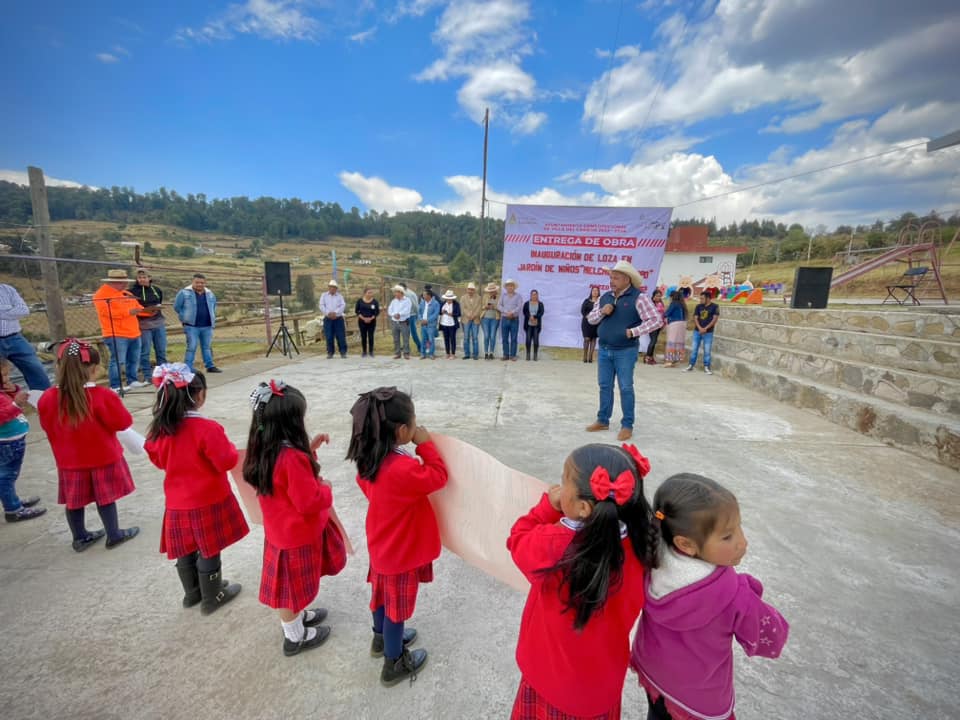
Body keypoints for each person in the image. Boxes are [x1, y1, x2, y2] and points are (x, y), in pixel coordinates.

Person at [507, 443, 658, 719]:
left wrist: (547, 508)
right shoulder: (643, 545)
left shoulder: (555, 547)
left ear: (584, 507)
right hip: (601, 688)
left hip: (549, 683)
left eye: (564, 479)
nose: (559, 485)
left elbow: (517, 539)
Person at [631, 473, 789, 720]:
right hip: (699, 698)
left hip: (654, 674)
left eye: (739, 527)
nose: (742, 541)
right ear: (686, 544)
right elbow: (771, 637)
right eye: (728, 536)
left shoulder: (650, 560)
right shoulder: (734, 595)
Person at [346, 387, 448, 687]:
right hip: (401, 553)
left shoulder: (368, 459)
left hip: (382, 546)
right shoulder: (401, 468)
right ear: (403, 430)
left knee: (380, 598)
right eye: (414, 425)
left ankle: (380, 640)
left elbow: (366, 487)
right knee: (396, 610)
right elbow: (438, 476)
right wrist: (426, 445)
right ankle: (394, 662)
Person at [244, 381, 341, 656]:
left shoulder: (263, 446)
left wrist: (308, 450)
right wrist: (326, 489)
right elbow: (308, 501)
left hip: (280, 532)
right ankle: (294, 636)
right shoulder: (291, 458)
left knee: (292, 587)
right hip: (296, 535)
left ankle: (296, 619)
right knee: (289, 591)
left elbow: (284, 479)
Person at [144, 363, 247, 615]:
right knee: (209, 548)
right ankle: (213, 596)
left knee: (186, 547)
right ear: (199, 395)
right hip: (208, 498)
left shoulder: (160, 429)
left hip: (177, 502)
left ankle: (193, 593)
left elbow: (157, 460)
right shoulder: (207, 429)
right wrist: (232, 449)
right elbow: (226, 461)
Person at [37, 339, 140, 552]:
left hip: (69, 462)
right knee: (106, 499)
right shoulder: (102, 396)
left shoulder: (47, 398)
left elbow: (47, 426)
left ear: (58, 367)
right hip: (103, 457)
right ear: (93, 369)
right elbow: (122, 422)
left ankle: (80, 537)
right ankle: (114, 534)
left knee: (74, 501)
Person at [586, 261, 664, 442]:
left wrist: (633, 332)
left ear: (627, 279)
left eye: (616, 277)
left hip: (625, 351)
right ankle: (603, 420)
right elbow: (590, 319)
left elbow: (656, 320)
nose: (612, 281)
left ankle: (627, 425)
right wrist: (602, 312)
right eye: (611, 277)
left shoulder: (639, 297)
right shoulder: (605, 297)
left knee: (626, 387)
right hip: (604, 349)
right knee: (604, 386)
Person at [0, 358, 46, 522]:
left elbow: (7, 401)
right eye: (3, 375)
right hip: (6, 442)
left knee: (10, 475)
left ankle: (13, 500)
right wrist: (16, 404)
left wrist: (14, 390)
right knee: (6, 476)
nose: (7, 378)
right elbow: (2, 414)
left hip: (14, 440)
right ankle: (13, 509)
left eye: (7, 374)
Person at [93, 269, 147, 392]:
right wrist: (128, 312)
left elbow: (138, 306)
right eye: (123, 282)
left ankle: (132, 380)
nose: (125, 285)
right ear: (114, 282)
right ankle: (115, 385)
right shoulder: (101, 295)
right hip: (116, 333)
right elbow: (106, 313)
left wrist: (143, 309)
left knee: (133, 359)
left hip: (134, 331)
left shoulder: (126, 293)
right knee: (118, 361)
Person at [0, 283, 51, 390]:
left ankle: (44, 402)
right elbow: (18, 311)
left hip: (15, 338)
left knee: (37, 371)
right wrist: (10, 311)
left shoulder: (8, 289)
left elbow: (23, 310)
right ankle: (6, 405)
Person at [173, 274, 222, 374]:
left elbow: (213, 306)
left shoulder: (210, 294)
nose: (200, 284)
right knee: (192, 347)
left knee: (207, 347)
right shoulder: (184, 293)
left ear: (205, 283)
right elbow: (177, 307)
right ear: (192, 282)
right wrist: (184, 317)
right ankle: (187, 368)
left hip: (207, 325)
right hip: (191, 326)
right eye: (197, 282)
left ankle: (210, 366)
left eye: (202, 282)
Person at [130, 268, 167, 381]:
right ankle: (147, 375)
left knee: (161, 349)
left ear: (149, 278)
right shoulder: (132, 292)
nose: (142, 279)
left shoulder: (157, 290)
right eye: (139, 277)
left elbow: (159, 301)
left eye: (144, 277)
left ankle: (163, 373)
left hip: (158, 323)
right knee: (145, 351)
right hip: (143, 325)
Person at [684, 291, 719, 375]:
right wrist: (700, 328)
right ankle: (690, 365)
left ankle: (706, 367)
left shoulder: (715, 307)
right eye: (700, 298)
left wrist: (705, 328)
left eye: (702, 298)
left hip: (708, 332)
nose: (700, 300)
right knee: (694, 349)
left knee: (707, 350)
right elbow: (695, 318)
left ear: (708, 298)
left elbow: (714, 319)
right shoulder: (698, 306)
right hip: (697, 331)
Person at [319, 279, 347, 359]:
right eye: (331, 287)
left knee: (341, 336)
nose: (332, 289)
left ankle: (343, 352)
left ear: (336, 288)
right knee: (329, 336)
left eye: (334, 287)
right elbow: (321, 305)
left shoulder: (340, 296)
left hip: (338, 319)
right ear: (328, 287)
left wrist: (335, 313)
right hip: (328, 319)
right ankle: (330, 352)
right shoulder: (323, 295)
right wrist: (328, 313)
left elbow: (342, 305)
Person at [498, 279, 523, 361]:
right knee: (504, 338)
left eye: (511, 285)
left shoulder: (518, 296)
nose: (510, 287)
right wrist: (506, 312)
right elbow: (499, 306)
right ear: (506, 287)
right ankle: (505, 355)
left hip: (514, 319)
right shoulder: (503, 296)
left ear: (514, 287)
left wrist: (512, 313)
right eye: (508, 285)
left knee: (514, 338)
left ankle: (513, 355)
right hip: (505, 319)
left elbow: (519, 307)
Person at [662, 291, 688, 368]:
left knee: (671, 342)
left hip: (674, 324)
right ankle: (676, 360)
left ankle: (669, 361)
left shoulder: (674, 303)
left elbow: (666, 313)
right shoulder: (682, 304)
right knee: (679, 342)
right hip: (682, 324)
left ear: (672, 297)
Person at [387, 285, 412, 360]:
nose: (394, 294)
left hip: (403, 322)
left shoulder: (407, 300)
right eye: (394, 292)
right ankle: (397, 353)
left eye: (396, 292)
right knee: (396, 339)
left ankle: (406, 353)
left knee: (405, 338)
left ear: (400, 292)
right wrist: (393, 315)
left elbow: (407, 310)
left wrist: (399, 314)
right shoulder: (393, 301)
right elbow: (389, 310)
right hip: (395, 322)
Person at [459, 282, 483, 360]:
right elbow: (463, 308)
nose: (470, 291)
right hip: (466, 319)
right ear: (467, 290)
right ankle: (467, 354)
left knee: (475, 337)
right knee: (466, 337)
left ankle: (475, 354)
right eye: (469, 289)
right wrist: (468, 315)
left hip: (475, 319)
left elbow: (479, 308)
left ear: (474, 290)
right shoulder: (463, 298)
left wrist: (474, 315)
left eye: (472, 289)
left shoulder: (479, 298)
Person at [355, 287, 381, 358]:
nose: (370, 294)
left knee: (371, 336)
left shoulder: (375, 302)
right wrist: (363, 318)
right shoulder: (360, 301)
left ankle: (371, 351)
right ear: (365, 293)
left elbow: (377, 312)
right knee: (363, 337)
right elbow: (357, 311)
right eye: (369, 292)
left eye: (371, 292)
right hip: (362, 321)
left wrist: (371, 318)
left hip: (372, 322)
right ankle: (364, 351)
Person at [644, 289, 667, 365]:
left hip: (659, 325)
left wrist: (664, 324)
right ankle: (647, 357)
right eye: (657, 296)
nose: (658, 297)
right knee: (653, 341)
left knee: (654, 341)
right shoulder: (650, 304)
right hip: (652, 325)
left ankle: (650, 357)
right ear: (653, 296)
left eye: (660, 296)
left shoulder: (661, 304)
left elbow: (663, 314)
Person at [521, 290, 544, 362]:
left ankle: (535, 355)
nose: (534, 296)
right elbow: (524, 312)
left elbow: (541, 312)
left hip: (536, 325)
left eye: (535, 294)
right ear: (530, 295)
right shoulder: (526, 303)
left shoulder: (540, 304)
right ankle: (528, 354)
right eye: (533, 294)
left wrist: (534, 317)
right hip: (528, 324)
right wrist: (530, 317)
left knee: (536, 340)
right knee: (528, 340)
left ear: (537, 295)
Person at [580, 286, 601, 364]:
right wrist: (587, 316)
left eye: (596, 291)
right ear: (591, 292)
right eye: (593, 291)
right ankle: (585, 356)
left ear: (598, 292)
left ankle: (590, 357)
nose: (595, 292)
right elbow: (582, 310)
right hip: (586, 322)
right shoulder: (586, 301)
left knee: (593, 339)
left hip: (596, 322)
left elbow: (601, 311)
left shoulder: (600, 302)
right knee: (587, 339)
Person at [400, 283, 422, 355]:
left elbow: (415, 305)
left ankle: (420, 346)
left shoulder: (408, 294)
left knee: (413, 332)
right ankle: (406, 347)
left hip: (411, 315)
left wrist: (418, 315)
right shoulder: (406, 293)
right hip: (406, 315)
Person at [438, 290, 461, 359]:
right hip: (444, 323)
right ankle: (447, 353)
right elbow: (439, 312)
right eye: (447, 298)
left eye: (450, 299)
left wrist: (452, 314)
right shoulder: (443, 303)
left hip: (452, 324)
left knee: (452, 339)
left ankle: (453, 354)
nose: (448, 300)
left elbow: (459, 313)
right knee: (446, 339)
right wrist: (441, 312)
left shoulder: (456, 304)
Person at [418, 289, 440, 360]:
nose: (423, 296)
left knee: (431, 340)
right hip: (423, 324)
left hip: (431, 325)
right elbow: (419, 312)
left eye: (424, 294)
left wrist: (427, 320)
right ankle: (422, 354)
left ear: (429, 295)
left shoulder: (436, 303)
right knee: (423, 339)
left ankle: (431, 354)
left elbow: (435, 314)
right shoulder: (422, 303)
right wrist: (421, 319)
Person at [481, 282, 500, 360]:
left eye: (493, 290)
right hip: (485, 318)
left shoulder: (499, 297)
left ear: (495, 290)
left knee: (492, 336)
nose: (491, 292)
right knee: (486, 336)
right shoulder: (485, 296)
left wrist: (494, 307)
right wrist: (486, 306)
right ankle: (486, 353)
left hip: (495, 318)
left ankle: (491, 353)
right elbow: (481, 307)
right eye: (490, 290)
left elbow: (501, 307)